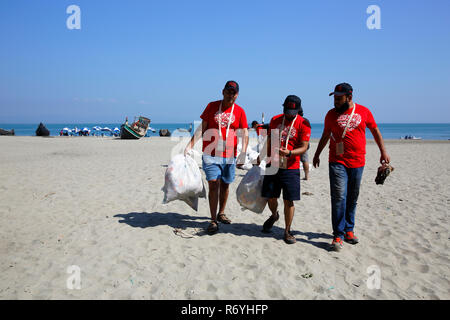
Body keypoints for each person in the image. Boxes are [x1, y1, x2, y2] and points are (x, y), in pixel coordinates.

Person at [313, 83, 390, 251]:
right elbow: (325, 135)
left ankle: (349, 230)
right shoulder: (331, 115)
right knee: (339, 196)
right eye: (334, 98)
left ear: (349, 97)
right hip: (337, 161)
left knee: (352, 197)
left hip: (358, 161)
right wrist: (317, 153)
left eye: (339, 99)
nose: (336, 102)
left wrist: (383, 152)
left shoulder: (364, 111)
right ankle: (338, 235)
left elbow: (375, 131)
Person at [184, 81, 249, 234]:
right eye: (228, 91)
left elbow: (244, 133)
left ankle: (221, 213)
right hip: (210, 154)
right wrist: (189, 145)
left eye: (233, 92)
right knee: (213, 184)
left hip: (229, 156)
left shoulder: (240, 111)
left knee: (225, 185)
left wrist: (244, 152)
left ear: (237, 95)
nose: (230, 95)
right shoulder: (212, 106)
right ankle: (213, 220)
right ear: (222, 92)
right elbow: (202, 128)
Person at [259, 95, 311, 244]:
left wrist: (289, 152)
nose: (289, 114)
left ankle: (287, 230)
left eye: (292, 112)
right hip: (273, 164)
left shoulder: (304, 123)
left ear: (298, 110)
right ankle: (274, 215)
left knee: (289, 200)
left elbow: (304, 146)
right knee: (270, 197)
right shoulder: (275, 120)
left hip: (291, 167)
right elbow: (269, 140)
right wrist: (261, 156)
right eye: (286, 110)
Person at [298, 109, 311, 180]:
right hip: (305, 143)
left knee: (302, 160)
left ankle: (306, 176)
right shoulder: (306, 120)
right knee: (305, 160)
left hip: (299, 143)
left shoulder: (297, 120)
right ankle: (307, 176)